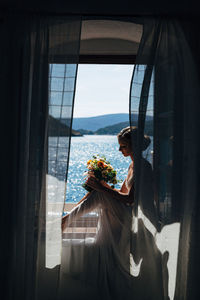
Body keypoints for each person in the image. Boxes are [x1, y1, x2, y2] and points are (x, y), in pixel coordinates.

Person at [60, 126, 162, 300]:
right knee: (99, 192)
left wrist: (102, 188)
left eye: (123, 146)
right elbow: (120, 192)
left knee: (100, 192)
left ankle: (64, 221)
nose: (119, 149)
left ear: (133, 145)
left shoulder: (143, 166)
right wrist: (102, 185)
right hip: (127, 212)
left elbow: (129, 199)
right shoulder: (133, 164)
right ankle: (66, 219)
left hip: (135, 215)